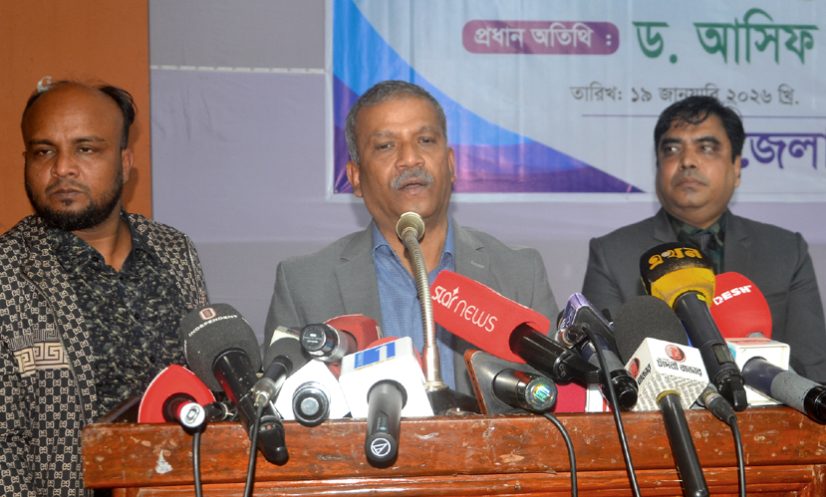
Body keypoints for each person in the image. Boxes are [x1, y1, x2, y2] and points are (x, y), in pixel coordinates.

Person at [265, 80, 557, 396]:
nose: (410, 158)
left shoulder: (519, 273)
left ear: (451, 165)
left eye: (426, 140)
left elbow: (555, 400)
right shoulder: (304, 284)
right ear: (356, 177)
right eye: (385, 146)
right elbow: (285, 409)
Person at [0, 80, 208, 496]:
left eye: (86, 149)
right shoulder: (9, 272)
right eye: (44, 152)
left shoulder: (174, 251)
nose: (62, 168)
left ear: (125, 162)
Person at [582, 95, 826, 381]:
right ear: (658, 166)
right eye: (671, 149)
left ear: (736, 168)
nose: (687, 161)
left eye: (706, 148)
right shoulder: (611, 254)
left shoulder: (785, 251)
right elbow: (605, 373)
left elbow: (813, 367)